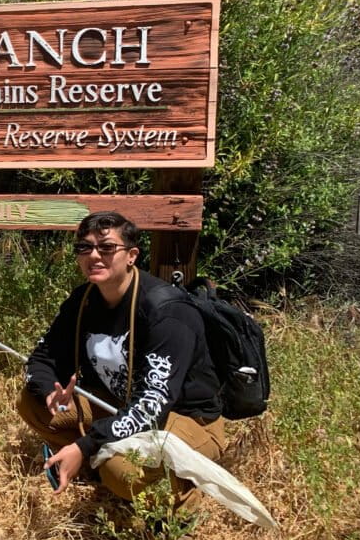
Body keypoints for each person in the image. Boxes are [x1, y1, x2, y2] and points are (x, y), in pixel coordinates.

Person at [17, 211, 224, 513]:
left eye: (107, 248)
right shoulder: (84, 299)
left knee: (121, 470)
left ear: (132, 256)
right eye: (84, 248)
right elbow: (41, 358)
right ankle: (90, 466)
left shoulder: (166, 311)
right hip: (122, 402)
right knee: (33, 403)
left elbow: (153, 405)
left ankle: (181, 503)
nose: (94, 256)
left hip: (186, 418)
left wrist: (85, 443)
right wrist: (49, 389)